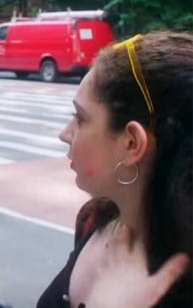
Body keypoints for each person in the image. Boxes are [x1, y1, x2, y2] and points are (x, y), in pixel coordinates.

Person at [38, 32, 192, 308]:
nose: (65, 133)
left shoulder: (178, 288)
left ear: (132, 143)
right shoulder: (96, 218)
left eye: (80, 118)